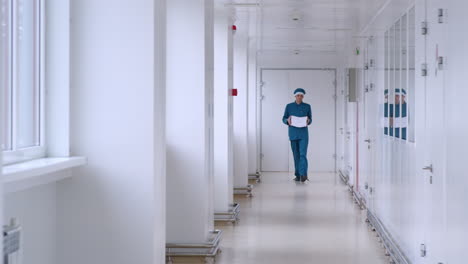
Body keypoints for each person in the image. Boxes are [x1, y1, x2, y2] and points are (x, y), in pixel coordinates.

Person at [282, 88, 312, 182]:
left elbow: (310, 119)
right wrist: (287, 120)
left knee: (303, 154)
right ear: (295, 96)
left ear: (303, 96)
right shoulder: (289, 106)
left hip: (303, 134)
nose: (299, 97)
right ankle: (298, 175)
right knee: (296, 155)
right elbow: (284, 118)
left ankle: (304, 175)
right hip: (293, 133)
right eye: (298, 95)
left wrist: (308, 120)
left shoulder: (307, 106)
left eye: (301, 95)